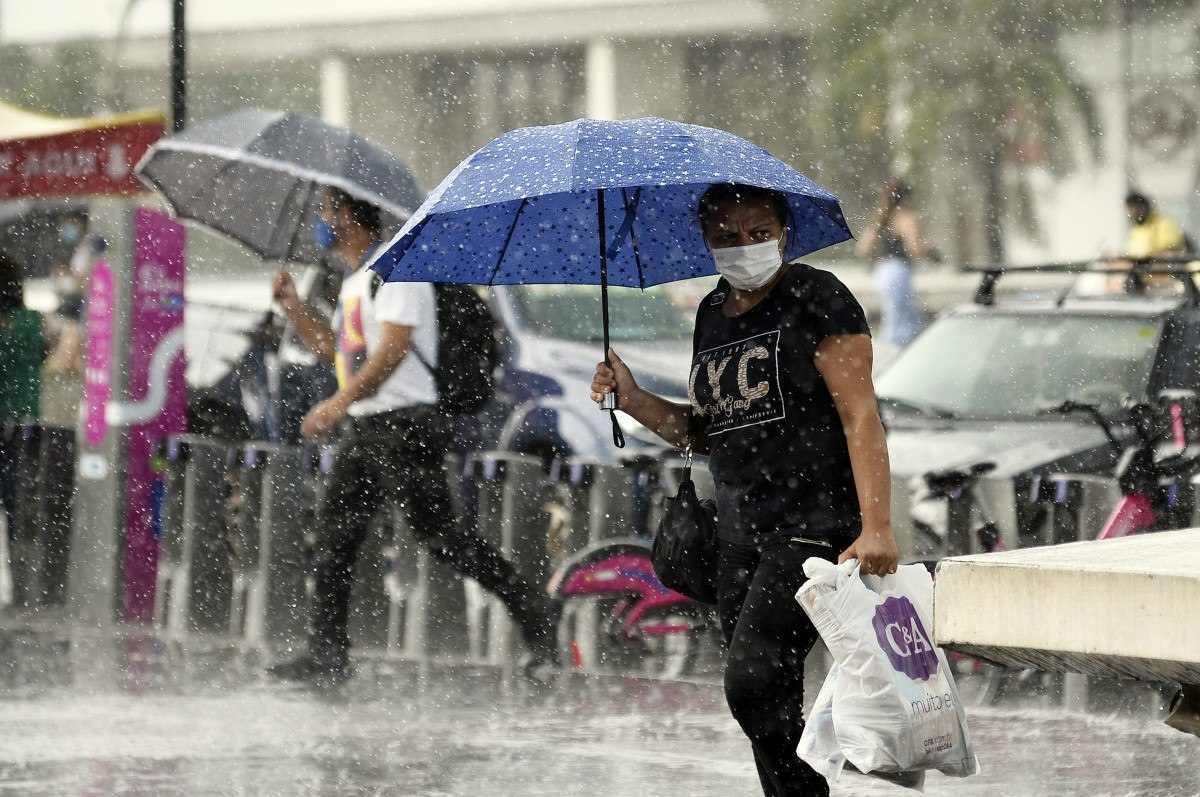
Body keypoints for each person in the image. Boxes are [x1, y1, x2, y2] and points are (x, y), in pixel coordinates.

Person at [590, 183, 899, 797]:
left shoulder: (818, 297)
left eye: (758, 232)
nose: (744, 246)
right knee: (766, 703)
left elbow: (860, 414)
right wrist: (633, 398)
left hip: (813, 522)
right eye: (725, 236)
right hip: (737, 532)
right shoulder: (710, 313)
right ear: (705, 242)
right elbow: (709, 429)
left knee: (752, 680)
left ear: (784, 232)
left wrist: (877, 526)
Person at [267, 187, 559, 685]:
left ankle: (532, 607)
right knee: (337, 534)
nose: (320, 219)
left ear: (350, 215)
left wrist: (338, 404)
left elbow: (394, 351)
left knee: (441, 536)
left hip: (407, 425)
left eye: (327, 209)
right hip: (371, 424)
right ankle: (328, 652)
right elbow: (333, 352)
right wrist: (294, 307)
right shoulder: (355, 281)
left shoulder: (399, 268)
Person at [0, 251, 43, 596]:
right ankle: (23, 576)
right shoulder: (32, 322)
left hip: (8, 416)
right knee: (18, 498)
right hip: (25, 420)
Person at [855, 178, 937, 351]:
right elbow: (914, 249)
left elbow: (862, 249)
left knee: (895, 316)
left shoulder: (881, 217)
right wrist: (929, 249)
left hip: (882, 272)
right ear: (906, 196)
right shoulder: (906, 217)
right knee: (904, 321)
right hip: (898, 271)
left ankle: (891, 351)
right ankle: (898, 355)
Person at [1125, 191, 1189, 259]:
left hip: (1161, 266)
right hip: (1142, 267)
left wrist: (1148, 258)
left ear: (1146, 207)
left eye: (1137, 208)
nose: (1134, 212)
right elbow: (1133, 254)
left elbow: (1173, 252)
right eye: (1130, 209)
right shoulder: (1136, 230)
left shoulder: (1164, 223)